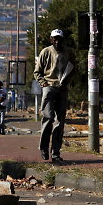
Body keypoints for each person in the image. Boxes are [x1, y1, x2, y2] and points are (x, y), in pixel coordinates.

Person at [34, 29, 76, 163]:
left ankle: (56, 152)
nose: (57, 41)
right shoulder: (45, 52)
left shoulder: (68, 52)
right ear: (51, 39)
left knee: (60, 122)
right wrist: (44, 83)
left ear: (63, 40)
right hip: (49, 87)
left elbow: (73, 69)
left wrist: (67, 82)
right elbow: (37, 72)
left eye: (59, 39)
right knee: (48, 118)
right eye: (55, 39)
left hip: (62, 89)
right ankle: (44, 147)